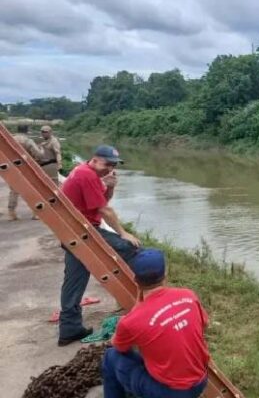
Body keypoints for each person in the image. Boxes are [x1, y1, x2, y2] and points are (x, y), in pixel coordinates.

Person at [58, 145, 141, 346]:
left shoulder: (88, 172)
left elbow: (101, 201)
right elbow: (105, 210)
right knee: (133, 249)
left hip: (73, 231)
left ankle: (69, 328)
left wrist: (110, 187)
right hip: (84, 231)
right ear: (94, 160)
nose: (110, 168)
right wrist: (123, 233)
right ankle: (140, 302)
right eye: (107, 164)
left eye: (114, 165)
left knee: (74, 280)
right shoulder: (87, 175)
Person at [102, 249, 209, 398]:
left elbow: (117, 345)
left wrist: (136, 310)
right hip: (200, 382)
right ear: (165, 274)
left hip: (169, 393)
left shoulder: (130, 322)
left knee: (111, 356)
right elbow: (205, 325)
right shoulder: (188, 295)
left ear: (135, 280)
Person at [8, 124, 44, 221]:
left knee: (14, 191)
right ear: (27, 130)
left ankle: (12, 213)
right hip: (26, 168)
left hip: (12, 168)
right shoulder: (28, 141)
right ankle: (35, 213)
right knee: (32, 190)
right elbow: (39, 155)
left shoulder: (11, 139)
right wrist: (41, 149)